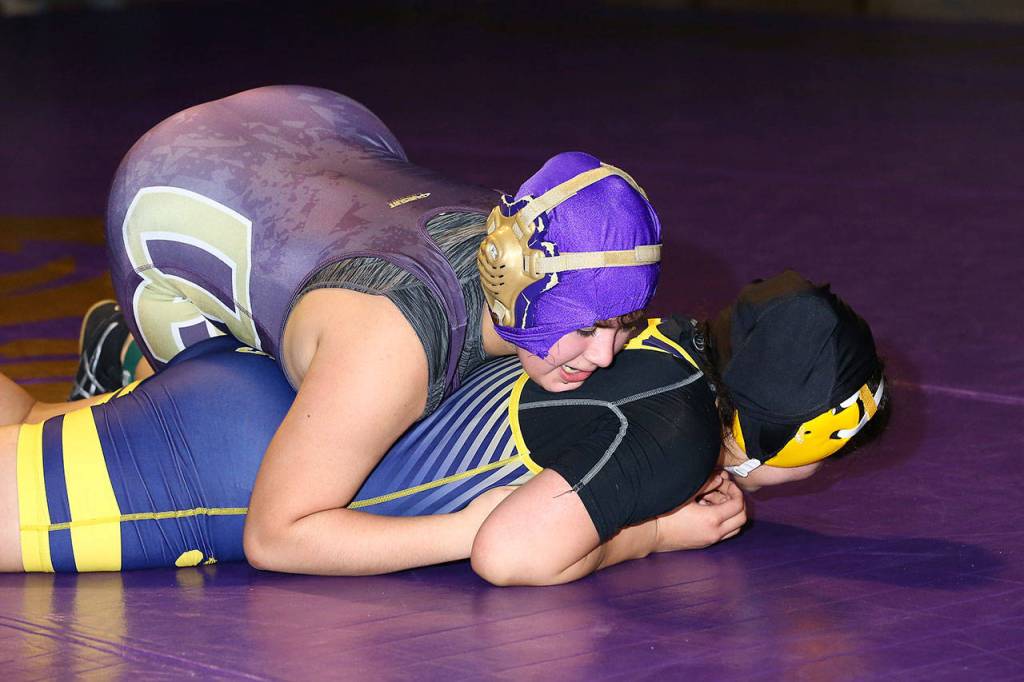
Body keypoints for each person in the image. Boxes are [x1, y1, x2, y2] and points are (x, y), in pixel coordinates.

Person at [51, 85, 664, 575]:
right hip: (174, 186)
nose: (607, 355)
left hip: (323, 119)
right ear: (509, 276)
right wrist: (473, 528)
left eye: (625, 326)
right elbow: (276, 536)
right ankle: (121, 354)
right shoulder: (389, 344)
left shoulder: (536, 242)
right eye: (586, 330)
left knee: (342, 405)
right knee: (231, 417)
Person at [1, 271, 887, 584]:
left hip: (277, 395)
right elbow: (513, 555)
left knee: (33, 427)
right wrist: (652, 533)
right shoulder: (675, 435)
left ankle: (118, 373)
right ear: (801, 442)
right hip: (225, 474)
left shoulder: (647, 336)